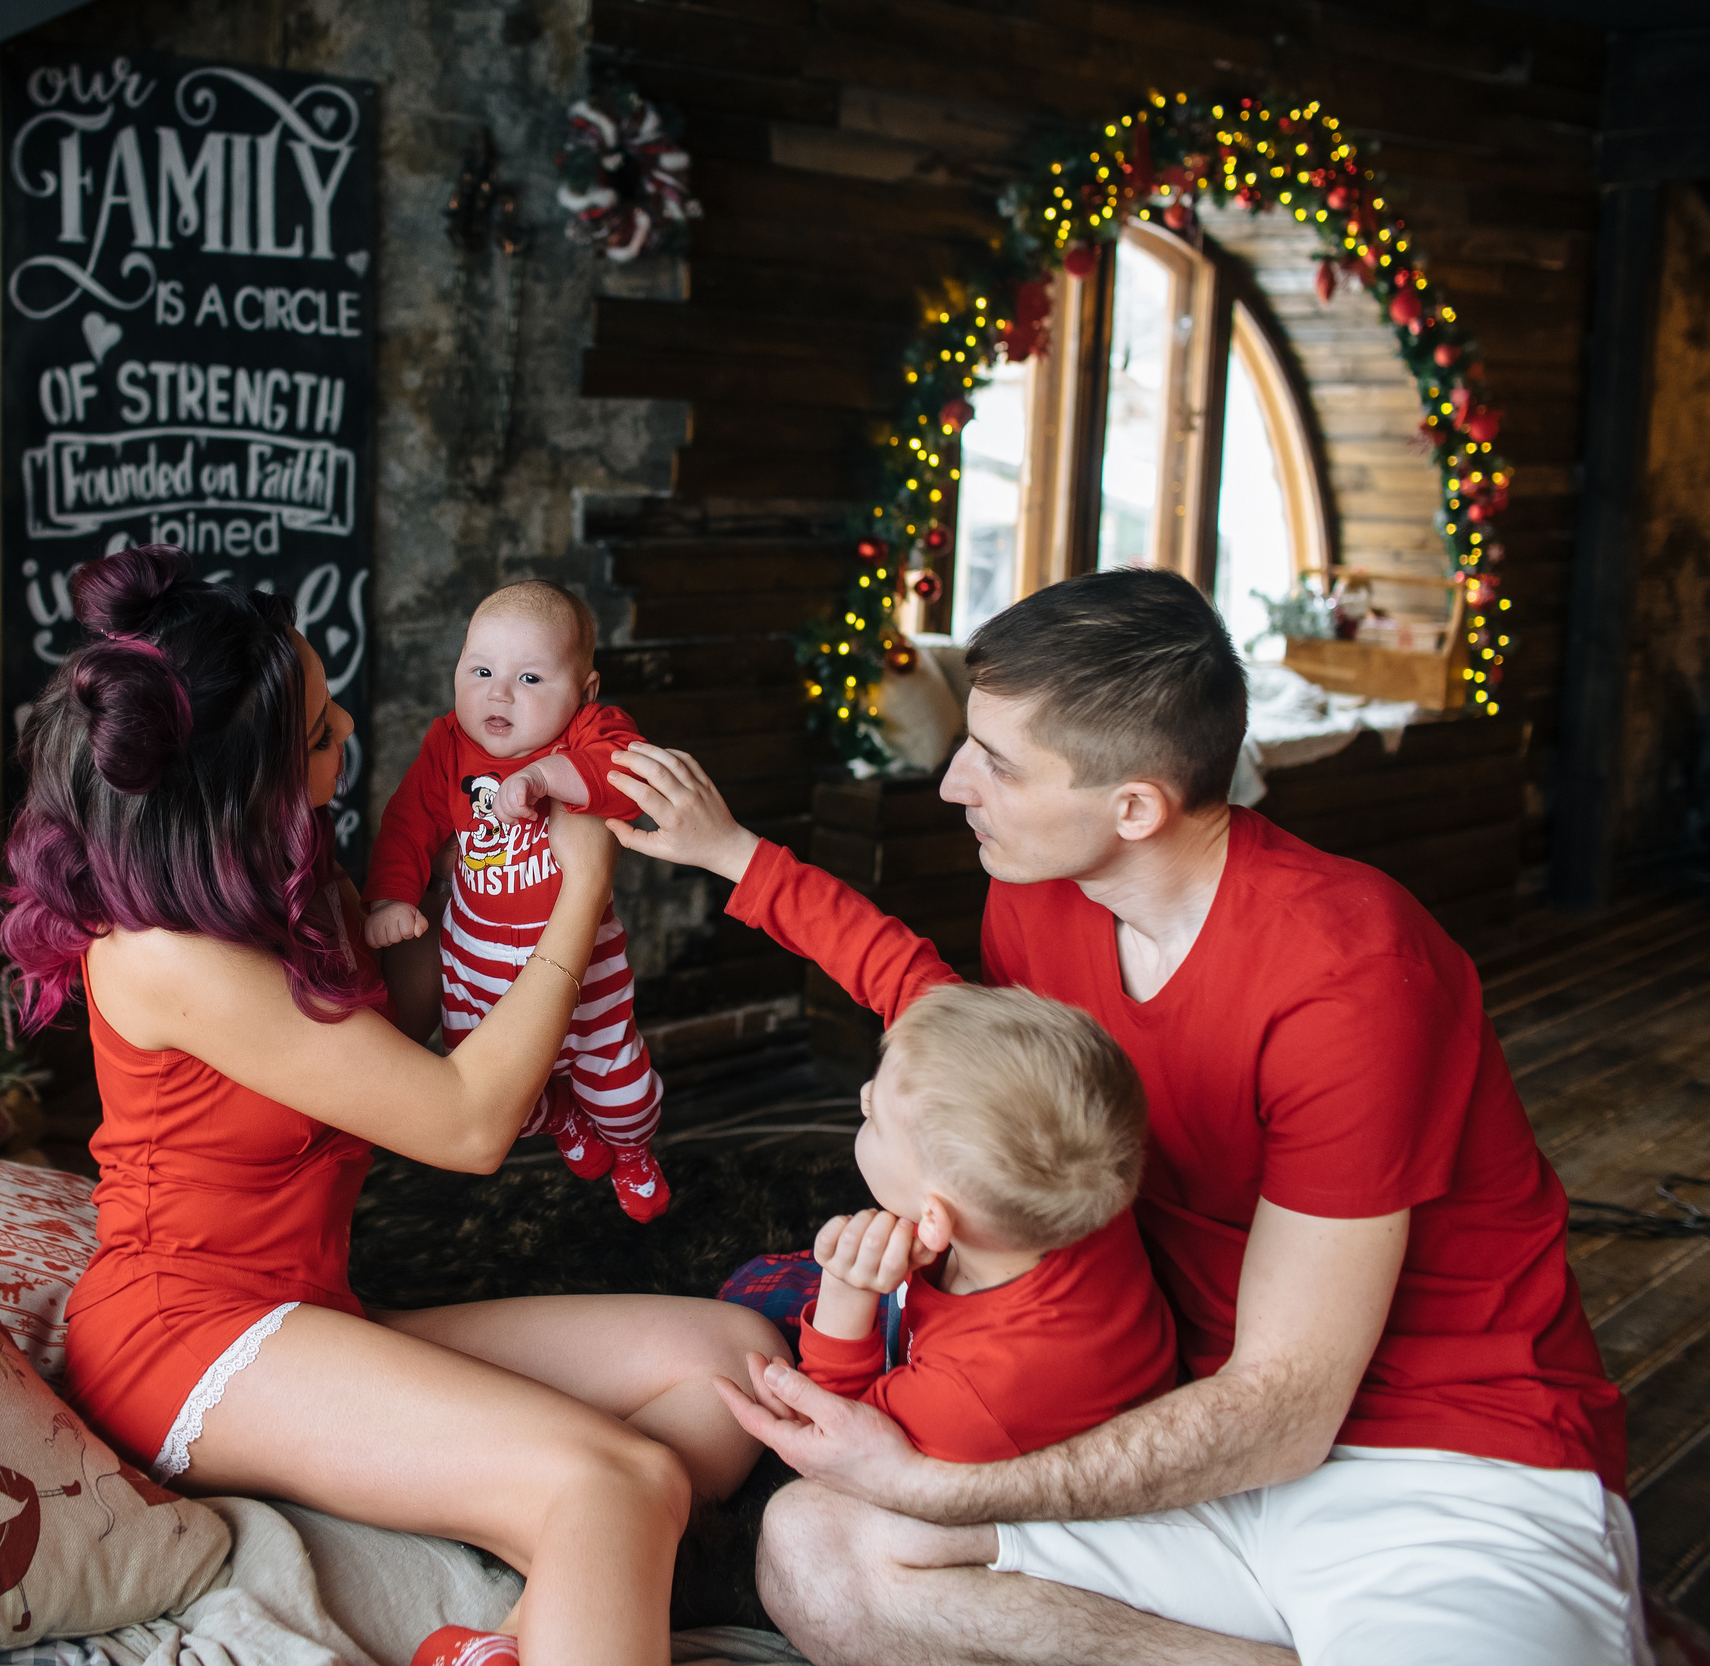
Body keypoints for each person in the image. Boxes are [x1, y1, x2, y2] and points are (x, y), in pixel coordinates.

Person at [606, 569, 1644, 1666]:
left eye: (997, 763)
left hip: (1436, 1459)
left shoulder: (1348, 973)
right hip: (1161, 1424)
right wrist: (734, 855)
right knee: (815, 1547)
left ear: (1135, 804)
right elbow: (923, 1002)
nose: (954, 782)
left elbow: (1288, 1406)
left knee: (888, 1519)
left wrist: (936, 1479)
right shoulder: (1036, 890)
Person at [0, 546, 786, 1666]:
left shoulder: (282, 870)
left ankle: (516, 1630)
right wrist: (580, 894)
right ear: (242, 774)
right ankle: (581, 1522)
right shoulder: (164, 954)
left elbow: (394, 1023)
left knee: (732, 1361)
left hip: (309, 1306)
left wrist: (492, 879)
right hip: (187, 1339)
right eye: (320, 734)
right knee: (624, 1477)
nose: (350, 741)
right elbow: (465, 1123)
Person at [769, 972, 1180, 1463]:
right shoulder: (1071, 1186)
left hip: (980, 1439)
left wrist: (846, 1292)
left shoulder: (970, 1396)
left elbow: (838, 1440)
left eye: (874, 1119)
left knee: (761, 1305)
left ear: (933, 1217)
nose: (862, 1095)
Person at [362, 579, 671, 1221]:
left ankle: (634, 1150)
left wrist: (544, 776)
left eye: (531, 679)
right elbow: (408, 822)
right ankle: (560, 1118)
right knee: (490, 1087)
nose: (498, 692)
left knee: (620, 1089)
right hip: (475, 962)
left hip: (586, 972)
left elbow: (628, 772)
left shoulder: (589, 731)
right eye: (481, 670)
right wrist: (391, 897)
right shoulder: (448, 744)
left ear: (584, 692)